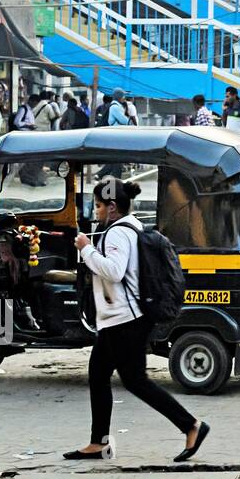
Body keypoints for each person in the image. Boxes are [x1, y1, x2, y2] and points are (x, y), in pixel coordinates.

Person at [64, 178, 209, 463]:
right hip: (117, 320)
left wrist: (85, 248)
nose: (95, 211)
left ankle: (191, 425)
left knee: (136, 381)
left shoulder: (118, 233)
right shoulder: (132, 225)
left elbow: (115, 271)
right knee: (98, 374)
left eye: (98, 205)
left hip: (124, 321)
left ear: (112, 207)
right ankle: (98, 443)